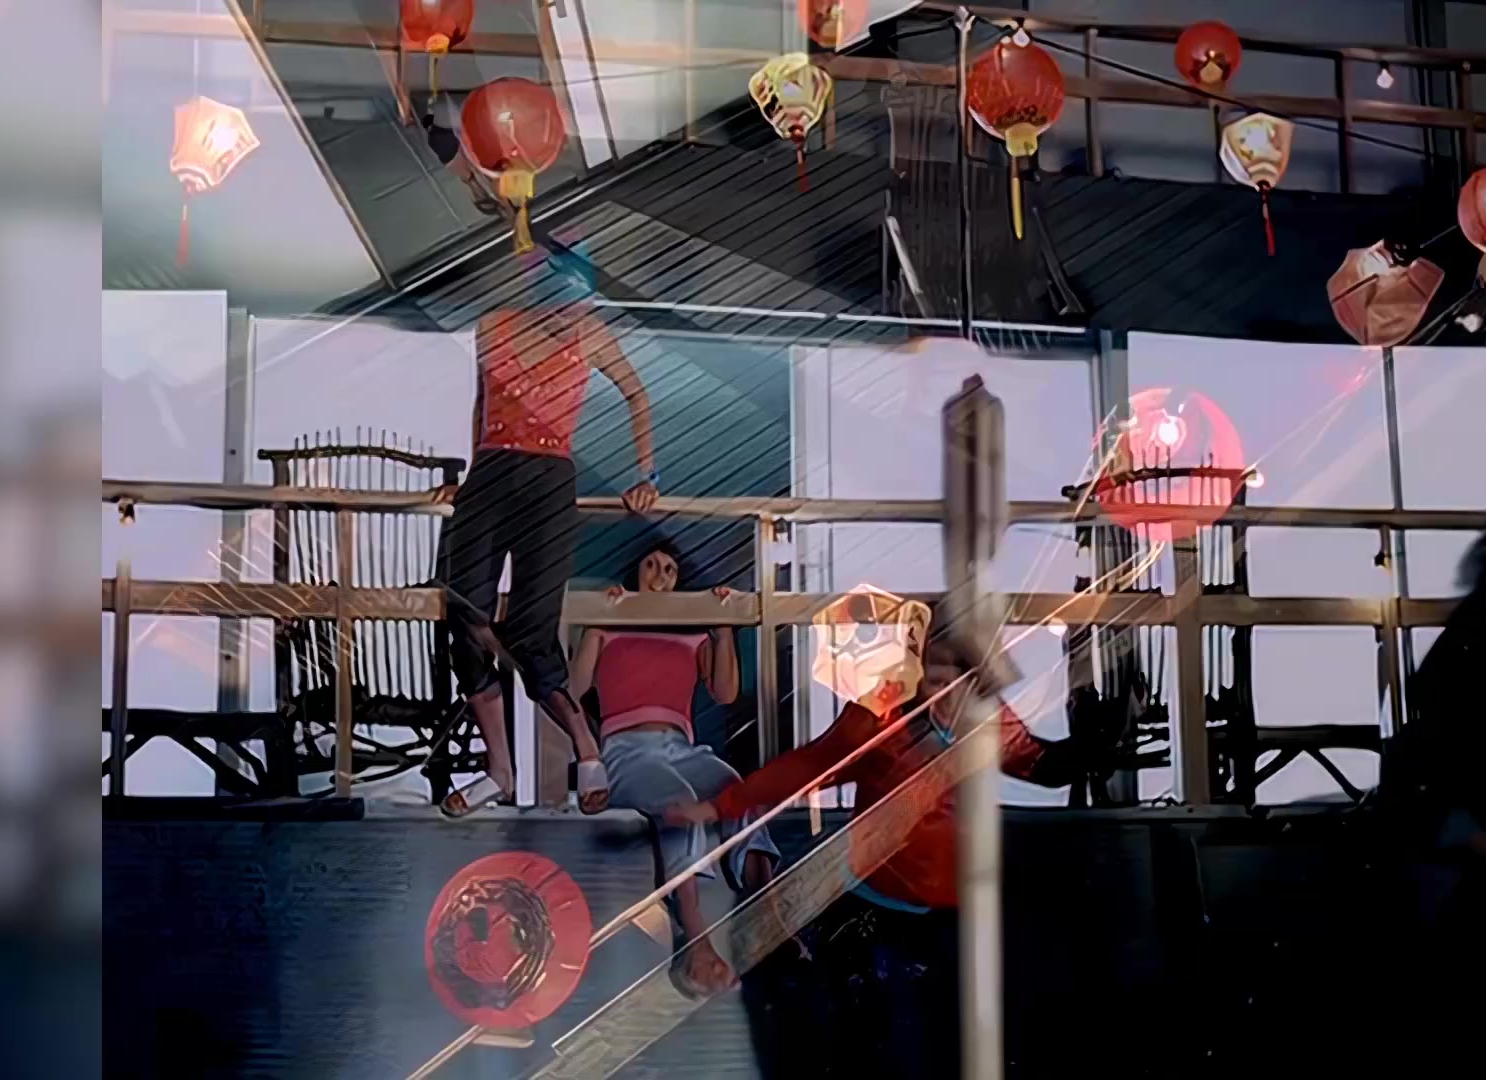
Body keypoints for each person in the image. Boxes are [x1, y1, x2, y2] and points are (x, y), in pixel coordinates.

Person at [665, 630, 1086, 1073]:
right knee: (884, 1050)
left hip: (948, 921)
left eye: (956, 680)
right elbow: (812, 764)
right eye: (935, 677)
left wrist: (1094, 741)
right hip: (874, 917)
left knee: (956, 1046)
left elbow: (1040, 764)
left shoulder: (984, 719)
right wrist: (720, 806)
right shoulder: (880, 715)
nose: (944, 691)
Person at [439, 295, 659, 817]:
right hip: (490, 474)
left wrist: (646, 476)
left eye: (577, 302)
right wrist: (472, 471)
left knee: (531, 630)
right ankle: (500, 771)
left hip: (550, 478)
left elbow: (637, 395)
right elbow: (482, 403)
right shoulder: (493, 321)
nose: (568, 312)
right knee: (462, 615)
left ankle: (585, 744)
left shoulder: (592, 332)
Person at [568, 539, 781, 996]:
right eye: (651, 565)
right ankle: (695, 935)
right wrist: (596, 622)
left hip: (681, 746)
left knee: (735, 788)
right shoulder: (610, 625)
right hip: (627, 749)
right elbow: (574, 688)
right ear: (636, 572)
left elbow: (725, 693)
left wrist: (723, 630)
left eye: (669, 568)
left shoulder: (691, 632)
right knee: (679, 800)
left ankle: (767, 907)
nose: (660, 576)